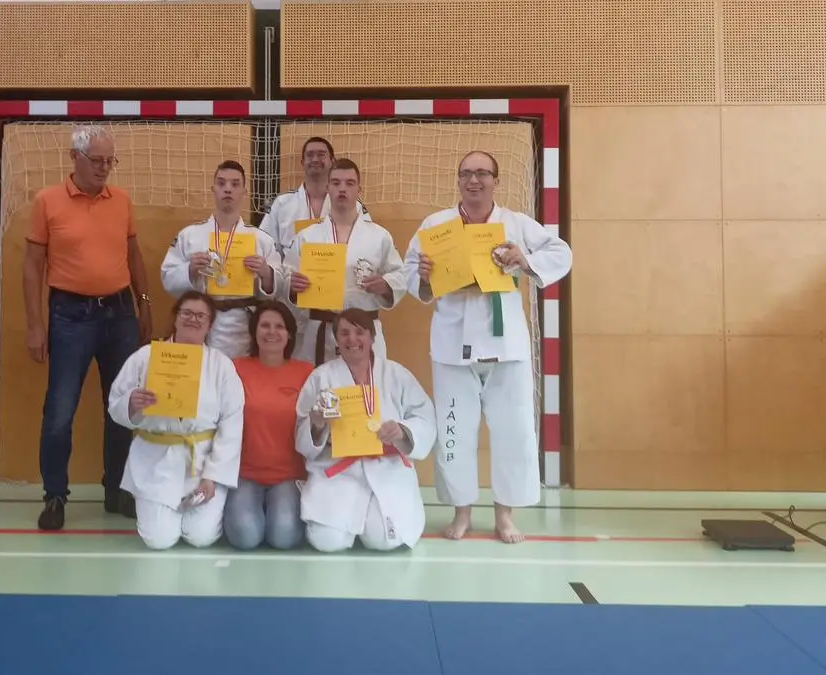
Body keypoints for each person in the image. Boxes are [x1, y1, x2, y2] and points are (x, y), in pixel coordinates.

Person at [403, 150, 572, 544]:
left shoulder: (515, 223)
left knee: (514, 430)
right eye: (466, 173)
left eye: (482, 173)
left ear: (496, 180)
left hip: (506, 344)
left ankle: (504, 514)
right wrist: (424, 276)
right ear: (458, 180)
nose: (473, 180)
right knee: (455, 432)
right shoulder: (437, 226)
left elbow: (562, 252)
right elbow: (411, 273)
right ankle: (461, 511)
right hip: (452, 345)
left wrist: (524, 259)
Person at [24, 125, 153, 531]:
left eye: (109, 161)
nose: (103, 168)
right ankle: (55, 495)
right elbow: (32, 266)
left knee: (123, 406)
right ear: (74, 157)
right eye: (96, 160)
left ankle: (117, 489)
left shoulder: (122, 201)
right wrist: (35, 325)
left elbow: (133, 255)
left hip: (120, 313)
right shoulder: (47, 201)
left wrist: (144, 303)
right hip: (69, 316)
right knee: (60, 410)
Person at [108, 291, 245, 550]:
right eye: (187, 313)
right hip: (155, 462)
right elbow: (115, 404)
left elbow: (232, 423)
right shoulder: (145, 357)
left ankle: (204, 505)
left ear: (210, 324)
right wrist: (131, 403)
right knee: (159, 540)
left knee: (200, 537)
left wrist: (212, 476)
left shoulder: (221, 365)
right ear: (176, 317)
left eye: (201, 316)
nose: (193, 319)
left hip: (202, 461)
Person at [294, 309, 437, 552]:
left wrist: (402, 431)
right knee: (328, 542)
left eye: (359, 332)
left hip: (387, 468)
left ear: (372, 337)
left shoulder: (396, 374)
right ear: (336, 339)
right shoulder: (321, 377)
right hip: (338, 470)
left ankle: (367, 519)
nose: (352, 339)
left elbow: (424, 416)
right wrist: (316, 425)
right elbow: (301, 431)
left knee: (385, 541)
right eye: (344, 333)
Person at [283, 158, 405, 365]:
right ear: (328, 188)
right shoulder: (308, 236)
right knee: (320, 383)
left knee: (365, 383)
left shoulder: (379, 236)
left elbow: (400, 274)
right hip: (320, 330)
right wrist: (292, 286)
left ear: (359, 190)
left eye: (349, 183)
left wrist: (386, 285)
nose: (342, 189)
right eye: (336, 183)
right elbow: (286, 275)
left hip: (363, 329)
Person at [161, 160, 282, 358]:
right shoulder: (189, 235)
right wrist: (190, 270)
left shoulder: (261, 239)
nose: (228, 189)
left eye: (235, 184)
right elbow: (167, 277)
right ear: (213, 189)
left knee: (241, 373)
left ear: (244, 191)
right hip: (201, 321)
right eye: (221, 183)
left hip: (244, 323)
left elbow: (279, 287)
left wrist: (266, 273)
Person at [222, 301, 313, 550]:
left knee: (284, 537)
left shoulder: (306, 373)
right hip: (244, 474)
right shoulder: (235, 368)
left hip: (289, 475)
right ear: (254, 331)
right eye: (265, 325)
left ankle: (271, 509)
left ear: (289, 334)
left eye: (279, 326)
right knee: (245, 537)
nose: (271, 332)